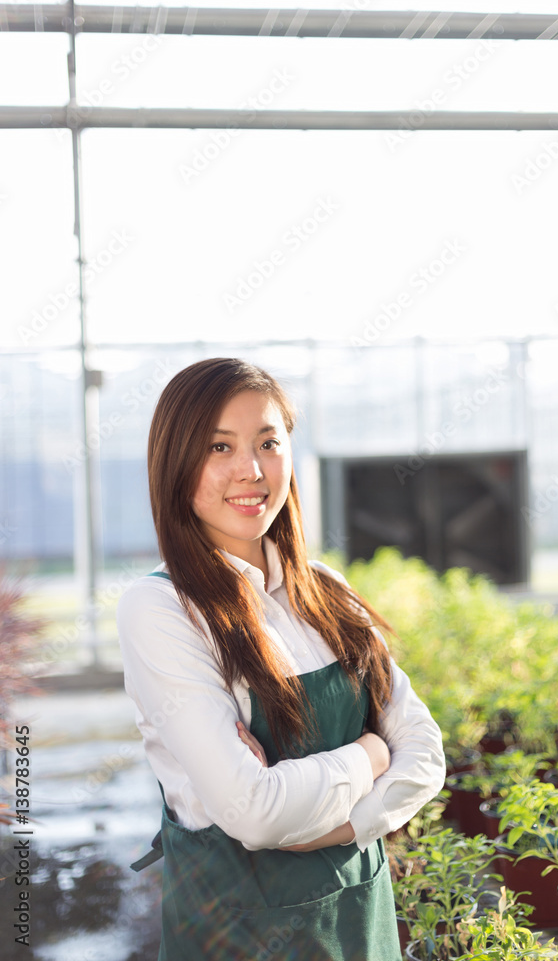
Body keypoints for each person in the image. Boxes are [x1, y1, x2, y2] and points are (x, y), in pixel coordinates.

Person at [117, 357, 446, 961]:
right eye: (220, 447)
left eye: (269, 442)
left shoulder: (325, 589)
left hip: (358, 920)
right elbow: (255, 813)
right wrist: (372, 753)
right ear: (176, 464)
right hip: (236, 933)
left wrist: (344, 828)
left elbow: (425, 755)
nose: (252, 470)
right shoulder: (161, 610)